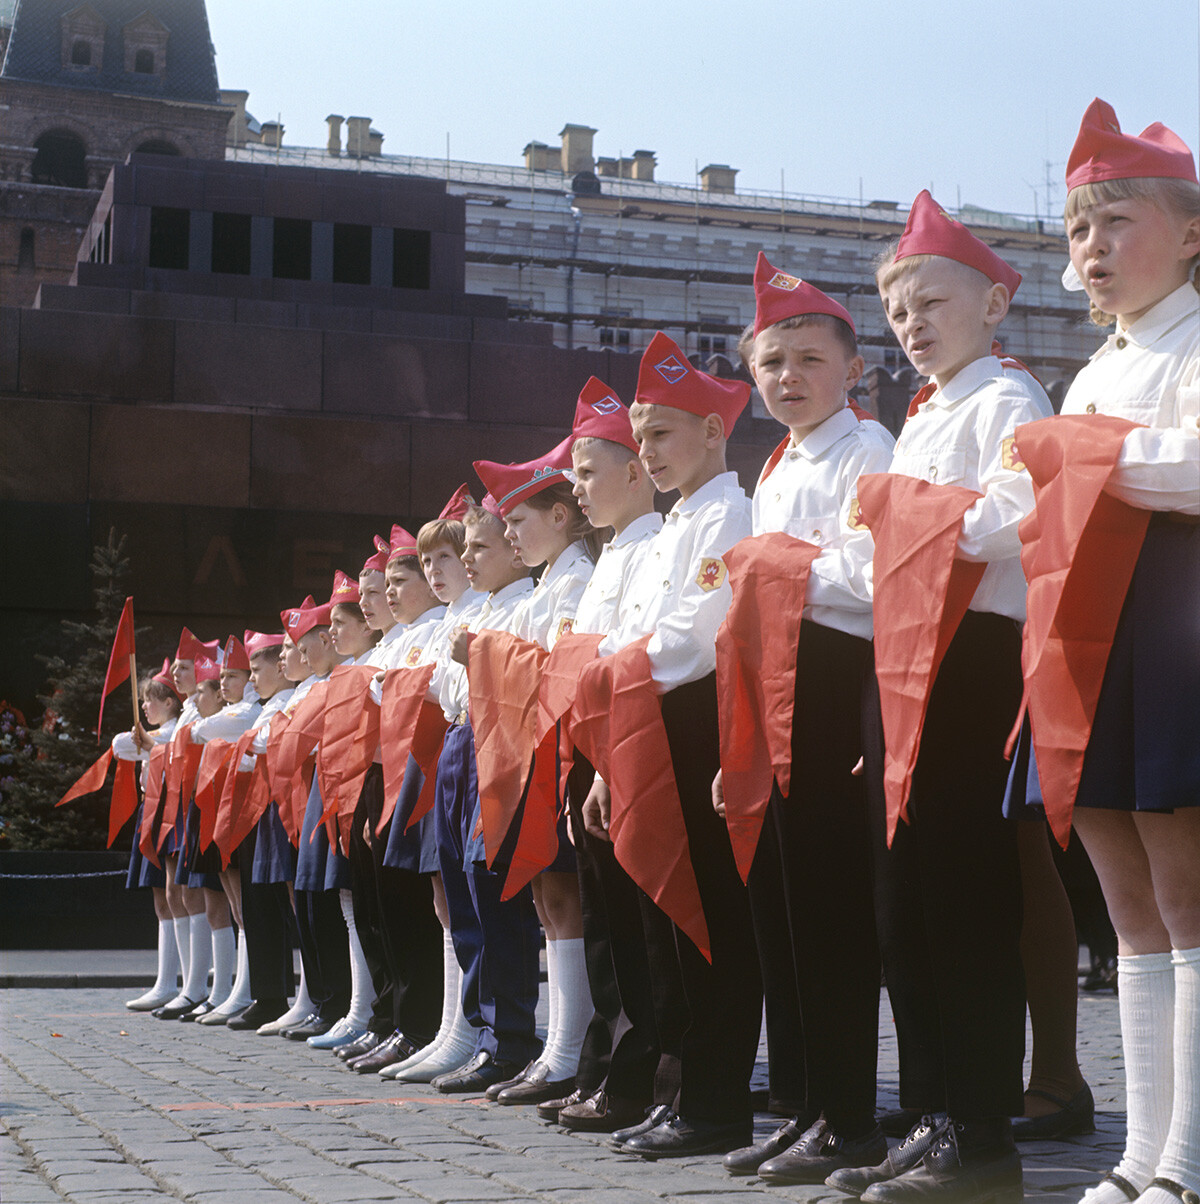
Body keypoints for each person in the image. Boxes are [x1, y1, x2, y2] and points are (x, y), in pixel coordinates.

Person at [829, 192, 1053, 1204]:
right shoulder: (924, 416)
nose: (911, 322)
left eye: (931, 300)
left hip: (969, 655)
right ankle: (932, 1114)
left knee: (961, 895)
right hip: (902, 659)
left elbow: (1018, 512)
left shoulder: (1006, 398)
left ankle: (982, 1134)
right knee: (900, 904)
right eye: (898, 308)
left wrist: (903, 518)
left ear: (996, 303)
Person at [1020, 100, 1200, 1204]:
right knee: (1128, 905)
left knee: (1186, 899)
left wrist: (1085, 455)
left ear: (1189, 234)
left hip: (1177, 620)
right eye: (1078, 232)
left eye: (1116, 222)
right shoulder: (1092, 367)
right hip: (1088, 635)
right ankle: (1140, 1153)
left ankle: (1187, 1158)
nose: (1091, 250)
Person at [717, 255, 895, 1181]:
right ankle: (810, 1103)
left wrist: (777, 568)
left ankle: (853, 1114)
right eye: (771, 364)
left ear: (852, 368)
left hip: (835, 677)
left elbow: (872, 576)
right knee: (787, 914)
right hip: (778, 685)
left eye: (808, 360)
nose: (789, 378)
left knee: (831, 912)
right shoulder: (779, 462)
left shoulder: (867, 450)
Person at [589, 332, 763, 1159]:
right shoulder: (667, 531)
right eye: (642, 435)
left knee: (706, 922)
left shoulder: (727, 515)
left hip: (697, 724)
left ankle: (717, 1099)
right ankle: (677, 1090)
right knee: (661, 922)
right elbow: (632, 637)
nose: (648, 451)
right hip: (647, 724)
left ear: (713, 433)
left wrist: (602, 679)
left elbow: (689, 642)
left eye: (662, 434)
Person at [541, 377, 666, 1134]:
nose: (581, 489)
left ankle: (637, 1072)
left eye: (591, 473)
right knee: (607, 919)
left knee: (637, 921)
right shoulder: (612, 555)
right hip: (594, 747)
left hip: (634, 742)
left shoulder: (653, 548)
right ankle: (607, 1065)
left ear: (635, 472)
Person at [473, 439, 597, 1106]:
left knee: (563, 897)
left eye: (519, 522)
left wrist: (489, 655)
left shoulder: (575, 580)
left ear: (559, 516)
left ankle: (570, 1048)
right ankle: (559, 1043)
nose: (511, 536)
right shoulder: (548, 584)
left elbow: (556, 667)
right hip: (532, 752)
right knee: (548, 900)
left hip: (560, 752)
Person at [424, 493, 540, 1093]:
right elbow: (443, 690)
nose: (468, 559)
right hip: (460, 740)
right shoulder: (479, 609)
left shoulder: (523, 604)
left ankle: (511, 1035)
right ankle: (481, 1030)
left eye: (480, 547)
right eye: (463, 548)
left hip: (496, 741)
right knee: (467, 893)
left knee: (494, 892)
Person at [120, 664, 185, 1012]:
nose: (145, 707)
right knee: (161, 900)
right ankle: (165, 980)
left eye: (151, 700)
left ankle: (183, 981)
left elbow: (142, 746)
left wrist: (145, 741)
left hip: (169, 811)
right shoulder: (156, 734)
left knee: (176, 897)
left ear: (171, 703)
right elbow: (121, 747)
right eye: (143, 701)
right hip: (151, 810)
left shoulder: (173, 732)